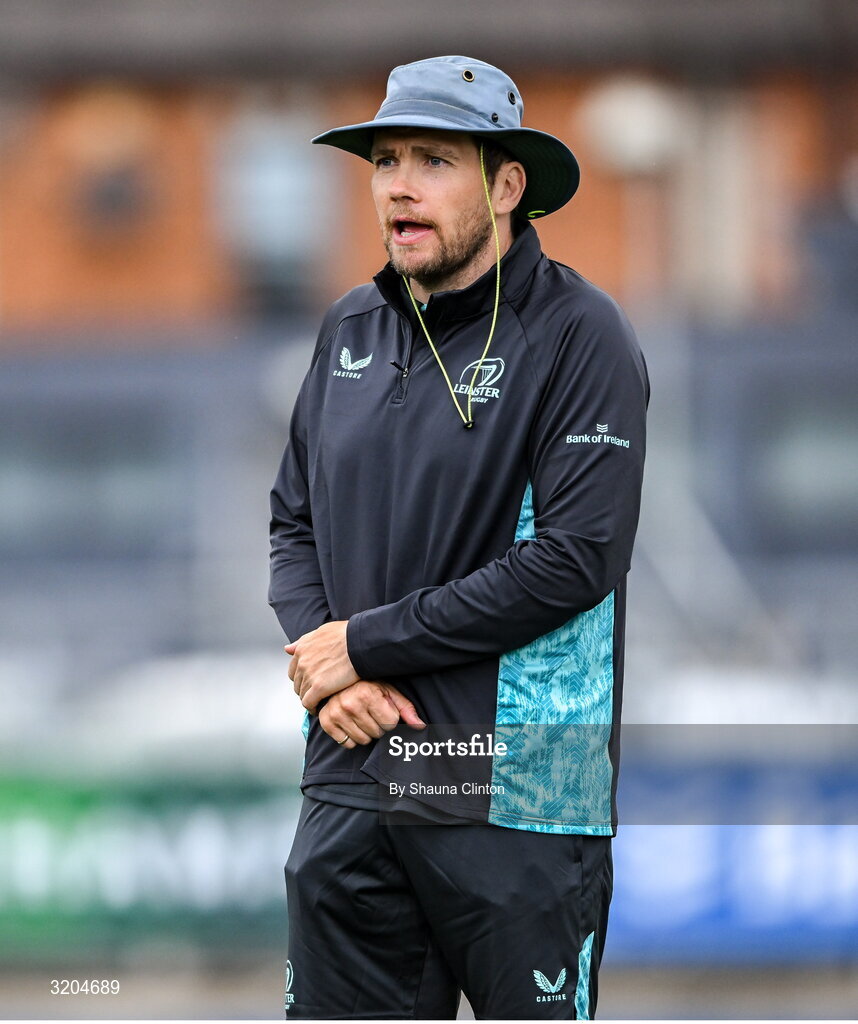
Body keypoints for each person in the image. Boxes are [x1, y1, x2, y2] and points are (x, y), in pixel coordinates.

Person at [269, 54, 649, 1020]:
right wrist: (333, 672)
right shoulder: (348, 327)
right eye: (384, 159)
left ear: (506, 185)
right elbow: (293, 521)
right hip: (353, 782)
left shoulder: (580, 333)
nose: (398, 182)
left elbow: (575, 559)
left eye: (433, 159)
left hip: (520, 793)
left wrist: (361, 645)